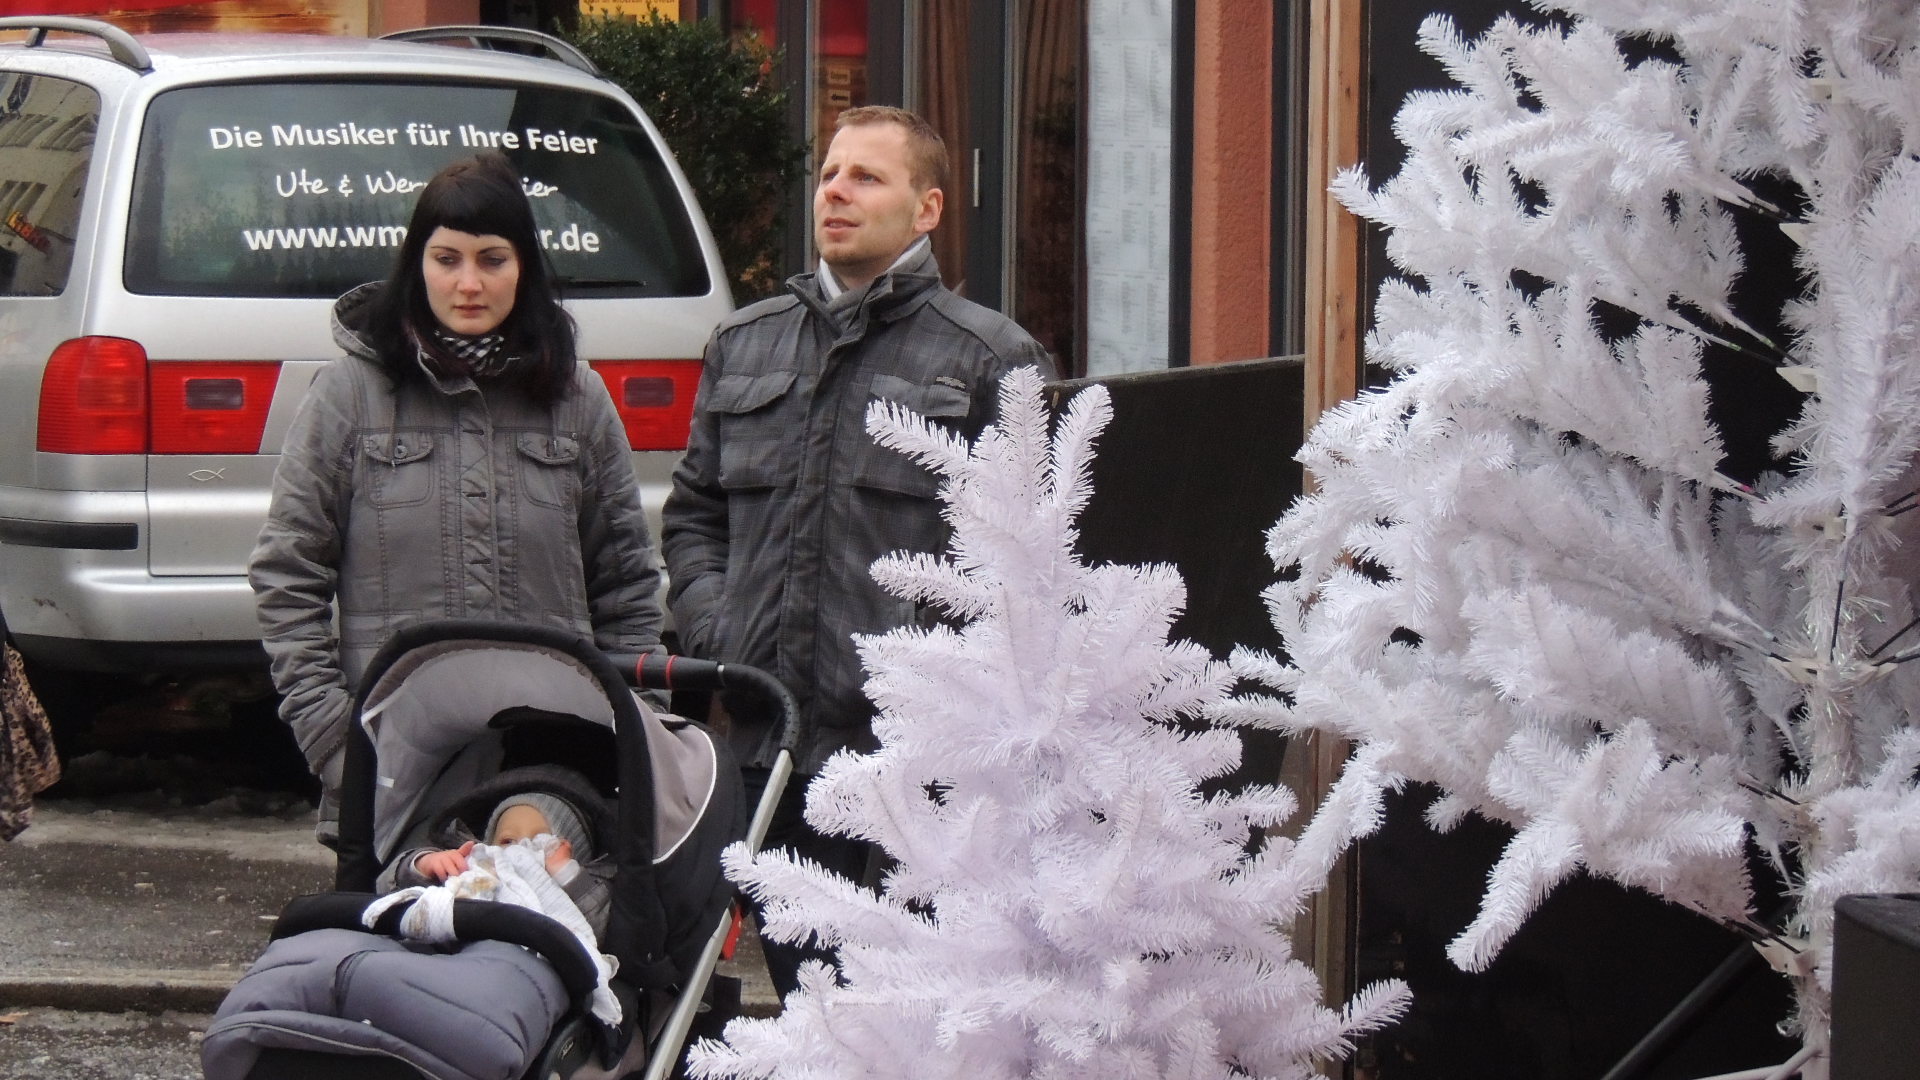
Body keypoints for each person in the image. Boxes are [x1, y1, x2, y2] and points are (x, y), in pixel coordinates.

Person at [660, 105, 1056, 994]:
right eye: (830, 174)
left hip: (913, 768)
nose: (836, 192)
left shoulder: (991, 359)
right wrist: (721, 630)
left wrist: (938, 679)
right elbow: (693, 516)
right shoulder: (745, 344)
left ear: (927, 209)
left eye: (867, 177)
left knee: (913, 1008)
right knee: (809, 1002)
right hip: (766, 748)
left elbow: (1027, 566)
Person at [250, 151, 665, 847]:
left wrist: (637, 736)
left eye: (492, 260)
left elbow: (627, 587)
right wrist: (334, 738)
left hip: (553, 771)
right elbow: (287, 576)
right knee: (406, 919)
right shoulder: (349, 396)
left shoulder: (578, 401)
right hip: (393, 770)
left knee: (542, 919)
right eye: (447, 259)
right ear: (416, 265)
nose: (468, 284)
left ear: (524, 267)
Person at [379, 764, 614, 939]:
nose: (520, 849)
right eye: (507, 840)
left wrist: (567, 873)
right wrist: (423, 864)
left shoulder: (579, 886)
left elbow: (598, 930)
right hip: (452, 938)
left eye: (539, 841)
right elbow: (386, 888)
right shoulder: (472, 863)